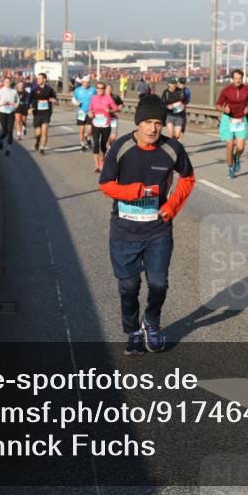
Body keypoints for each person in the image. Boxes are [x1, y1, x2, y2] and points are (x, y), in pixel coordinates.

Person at [98, 94, 196, 354]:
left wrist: (171, 207)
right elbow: (105, 185)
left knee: (158, 284)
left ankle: (151, 323)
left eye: (158, 123)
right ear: (138, 122)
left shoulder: (172, 149)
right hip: (125, 230)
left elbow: (188, 178)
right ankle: (132, 331)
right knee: (128, 287)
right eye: (148, 122)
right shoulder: (120, 147)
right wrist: (136, 192)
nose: (153, 128)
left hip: (158, 229)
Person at [215, 69, 248, 179]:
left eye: (240, 78)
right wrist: (224, 109)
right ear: (232, 79)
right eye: (236, 78)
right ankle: (231, 167)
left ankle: (236, 158)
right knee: (230, 146)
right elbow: (217, 106)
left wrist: (247, 108)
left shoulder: (246, 89)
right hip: (228, 119)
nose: (238, 80)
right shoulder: (226, 90)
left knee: (240, 147)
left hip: (241, 119)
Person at [88, 81, 119, 172]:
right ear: (96, 89)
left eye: (102, 88)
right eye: (98, 88)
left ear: (104, 89)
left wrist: (109, 110)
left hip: (106, 124)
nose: (100, 90)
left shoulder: (108, 98)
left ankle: (102, 161)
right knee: (96, 144)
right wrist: (90, 113)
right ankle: (97, 164)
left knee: (103, 145)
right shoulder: (93, 98)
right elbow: (90, 109)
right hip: (95, 124)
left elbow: (116, 109)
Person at [28, 73, 58, 155]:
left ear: (45, 79)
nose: (38, 80)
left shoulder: (49, 89)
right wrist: (29, 108)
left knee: (44, 131)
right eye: (37, 79)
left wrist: (54, 100)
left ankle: (42, 148)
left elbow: (55, 99)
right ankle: (37, 141)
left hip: (46, 112)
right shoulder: (34, 89)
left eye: (40, 79)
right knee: (38, 133)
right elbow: (28, 99)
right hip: (37, 112)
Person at [0, 78, 19, 156]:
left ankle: (8, 149)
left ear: (11, 82)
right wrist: (2, 103)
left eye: (9, 81)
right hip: (2, 112)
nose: (7, 83)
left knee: (10, 130)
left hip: (11, 112)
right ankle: (0, 139)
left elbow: (17, 100)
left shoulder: (14, 91)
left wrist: (16, 105)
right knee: (5, 131)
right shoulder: (0, 91)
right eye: (6, 81)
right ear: (3, 83)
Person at [73, 76, 97, 152]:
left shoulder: (93, 89)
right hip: (81, 112)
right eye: (84, 82)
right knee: (82, 129)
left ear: (89, 83)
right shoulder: (77, 90)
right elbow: (74, 98)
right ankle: (82, 144)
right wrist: (76, 103)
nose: (86, 84)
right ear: (82, 82)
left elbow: (97, 98)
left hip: (90, 112)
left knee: (90, 130)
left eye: (87, 82)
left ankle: (88, 138)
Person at [106, 84, 124, 148]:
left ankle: (110, 147)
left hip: (113, 118)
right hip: (104, 119)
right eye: (107, 88)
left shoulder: (115, 97)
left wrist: (119, 108)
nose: (109, 90)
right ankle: (108, 149)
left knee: (113, 136)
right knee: (106, 135)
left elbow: (121, 104)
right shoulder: (102, 97)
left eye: (110, 88)